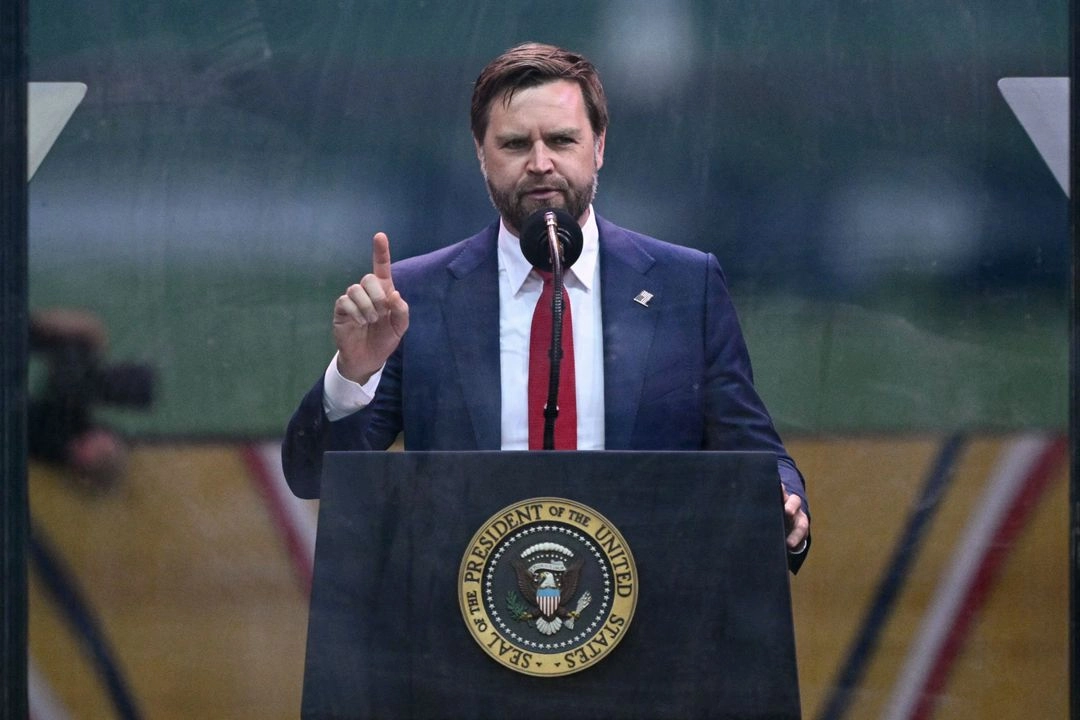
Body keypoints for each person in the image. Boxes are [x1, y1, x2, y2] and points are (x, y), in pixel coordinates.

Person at [281, 42, 810, 569]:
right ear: (481, 154)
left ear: (598, 146)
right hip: (463, 625)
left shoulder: (684, 286)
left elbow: (754, 452)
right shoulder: (417, 297)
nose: (540, 164)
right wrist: (354, 373)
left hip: (650, 617)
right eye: (514, 144)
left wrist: (782, 501)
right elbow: (315, 478)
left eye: (561, 140)